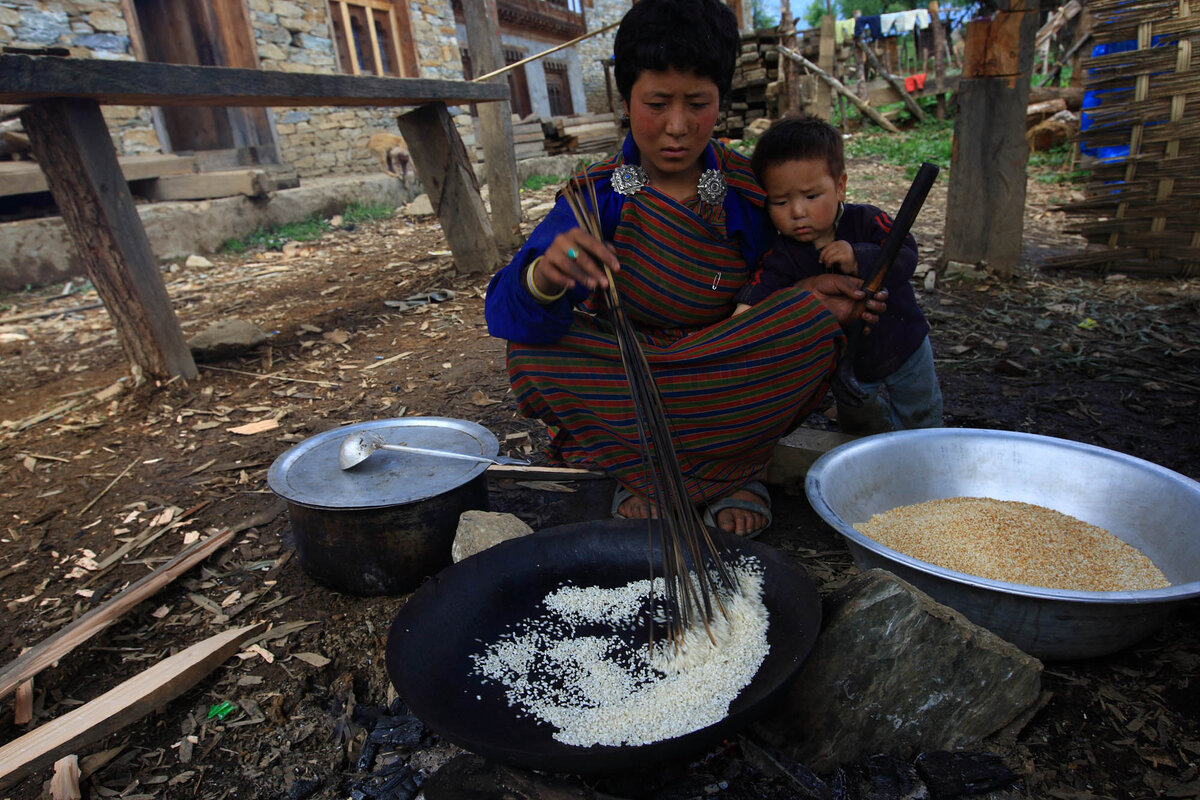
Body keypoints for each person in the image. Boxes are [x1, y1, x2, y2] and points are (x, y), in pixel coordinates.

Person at [484, 0, 887, 537]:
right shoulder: (596, 196)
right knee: (530, 351)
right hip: (633, 367)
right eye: (657, 103)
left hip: (732, 363)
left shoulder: (749, 190)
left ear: (720, 100)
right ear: (627, 98)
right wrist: (545, 278)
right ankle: (695, 468)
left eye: (696, 103)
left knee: (820, 324)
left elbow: (796, 265)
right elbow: (505, 310)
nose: (677, 126)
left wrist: (811, 291)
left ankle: (697, 468)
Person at [733, 115, 942, 434]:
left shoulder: (867, 222)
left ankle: (927, 461)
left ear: (840, 187)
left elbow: (905, 254)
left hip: (905, 343)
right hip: (847, 360)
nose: (797, 212)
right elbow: (760, 291)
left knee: (920, 412)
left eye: (811, 196)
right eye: (780, 201)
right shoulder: (782, 253)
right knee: (856, 419)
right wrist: (736, 327)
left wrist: (858, 256)